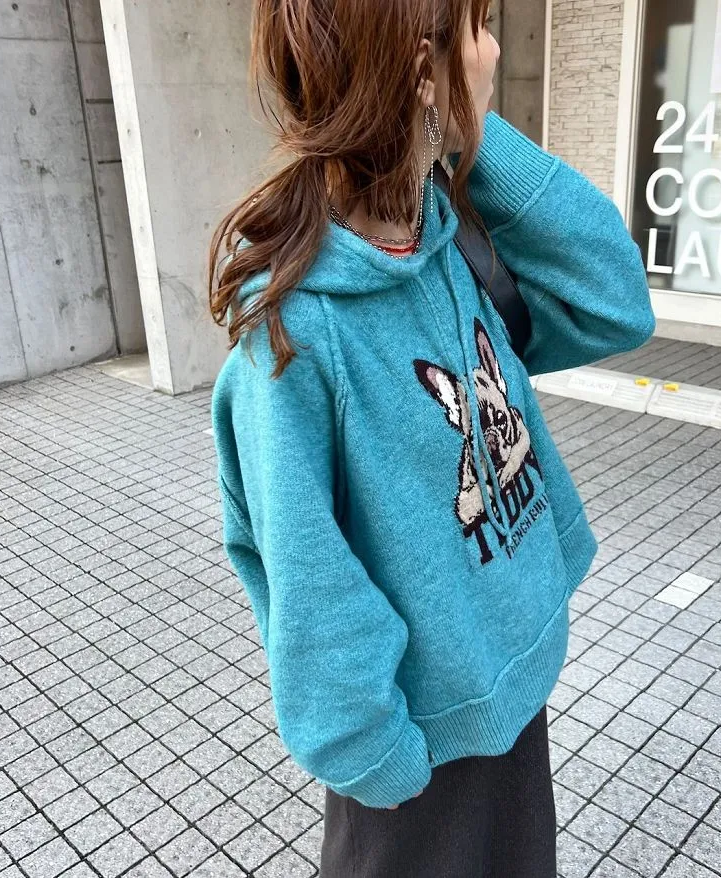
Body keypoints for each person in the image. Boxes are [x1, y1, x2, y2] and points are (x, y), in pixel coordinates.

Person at [208, 0, 655, 874]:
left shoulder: (452, 246)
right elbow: (306, 577)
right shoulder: (294, 340)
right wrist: (375, 757)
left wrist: (474, 139)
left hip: (509, 693)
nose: (493, 47)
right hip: (419, 757)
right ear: (423, 69)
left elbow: (615, 302)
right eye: (477, 28)